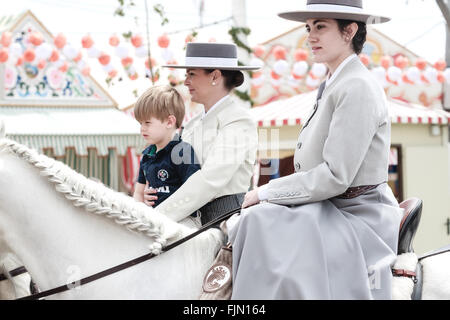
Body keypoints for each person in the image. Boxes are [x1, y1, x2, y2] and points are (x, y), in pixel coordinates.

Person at [227, 0, 404, 300]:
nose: (310, 36)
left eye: (320, 26)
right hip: (327, 207)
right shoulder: (335, 82)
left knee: (257, 221)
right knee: (254, 220)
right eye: (309, 28)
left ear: (349, 31)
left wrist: (264, 192)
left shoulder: (357, 85)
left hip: (357, 213)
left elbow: (336, 176)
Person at [144, 42, 260, 227]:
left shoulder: (238, 120)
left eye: (192, 74)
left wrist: (157, 217)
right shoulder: (192, 124)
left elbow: (210, 179)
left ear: (214, 76)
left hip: (226, 223)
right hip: (187, 221)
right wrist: (156, 189)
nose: (186, 82)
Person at [133, 85, 200, 208]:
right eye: (140, 123)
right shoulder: (147, 155)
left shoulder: (182, 152)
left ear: (169, 122)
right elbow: (138, 193)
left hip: (181, 220)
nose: (142, 128)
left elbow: (194, 191)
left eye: (147, 122)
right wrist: (143, 201)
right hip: (154, 219)